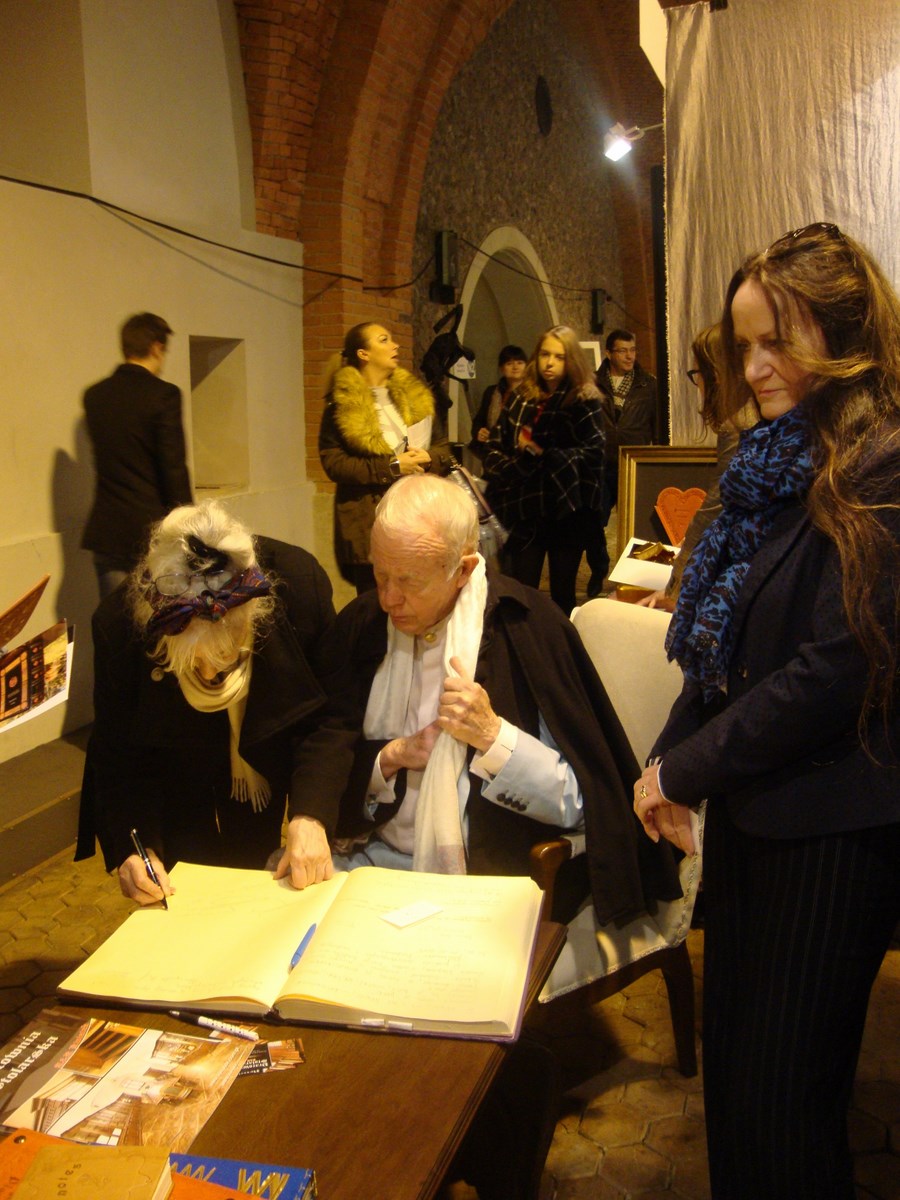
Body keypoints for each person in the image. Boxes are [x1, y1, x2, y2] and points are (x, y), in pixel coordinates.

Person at [632, 223, 900, 1199]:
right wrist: (663, 760)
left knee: (788, 1104)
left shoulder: (883, 462)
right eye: (744, 345)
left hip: (830, 829)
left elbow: (837, 666)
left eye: (775, 342)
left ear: (842, 331)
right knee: (739, 1082)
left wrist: (686, 769)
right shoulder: (774, 462)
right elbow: (728, 650)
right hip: (755, 815)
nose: (752, 369)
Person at [329, 474, 681, 928]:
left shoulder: (528, 628)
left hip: (482, 879)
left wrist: (494, 737)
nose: (388, 599)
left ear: (463, 570)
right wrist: (390, 758)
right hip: (371, 858)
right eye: (380, 575)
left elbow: (582, 801)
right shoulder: (364, 625)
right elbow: (328, 749)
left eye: (408, 581)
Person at [75, 500, 356, 903]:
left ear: (254, 618)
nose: (209, 675)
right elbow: (119, 755)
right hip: (176, 765)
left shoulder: (296, 585)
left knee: (255, 865)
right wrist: (136, 848)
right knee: (187, 886)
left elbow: (330, 716)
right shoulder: (119, 625)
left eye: (225, 655)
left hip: (261, 756)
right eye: (192, 662)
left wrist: (311, 814)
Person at [318, 322, 451, 593]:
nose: (394, 345)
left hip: (418, 517)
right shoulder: (341, 405)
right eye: (383, 340)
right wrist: (392, 466)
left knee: (420, 598)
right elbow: (334, 463)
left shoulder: (416, 398)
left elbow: (443, 448)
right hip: (369, 520)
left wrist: (428, 457)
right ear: (363, 354)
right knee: (377, 602)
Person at [482, 325, 606, 615]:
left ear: (571, 360)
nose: (550, 363)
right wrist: (515, 467)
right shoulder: (521, 397)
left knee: (563, 593)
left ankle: (560, 641)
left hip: (567, 507)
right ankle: (523, 641)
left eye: (559, 357)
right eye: (545, 355)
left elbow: (594, 453)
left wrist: (543, 455)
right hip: (525, 505)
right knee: (520, 589)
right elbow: (495, 447)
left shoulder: (583, 399)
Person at [639, 322, 754, 611]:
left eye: (697, 374)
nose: (698, 386)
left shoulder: (739, 426)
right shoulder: (754, 419)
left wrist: (676, 587)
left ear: (717, 376)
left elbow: (714, 511)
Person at [82, 313, 193, 600]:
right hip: (152, 532)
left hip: (108, 531)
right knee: (162, 620)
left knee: (115, 620)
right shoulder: (164, 395)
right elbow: (173, 469)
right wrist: (188, 526)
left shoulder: (95, 396)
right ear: (157, 347)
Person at [587, 328, 658, 595]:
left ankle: (637, 579)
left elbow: (656, 424)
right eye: (622, 351)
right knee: (595, 522)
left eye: (632, 350)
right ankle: (599, 569)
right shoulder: (592, 383)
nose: (629, 356)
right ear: (609, 353)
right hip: (601, 463)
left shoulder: (648, 385)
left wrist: (658, 458)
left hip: (634, 462)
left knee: (639, 523)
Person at [468, 343, 527, 459]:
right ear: (501, 368)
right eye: (509, 363)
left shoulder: (532, 394)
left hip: (520, 453)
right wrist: (479, 432)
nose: (515, 367)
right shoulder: (492, 392)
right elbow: (479, 420)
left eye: (520, 363)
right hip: (492, 452)